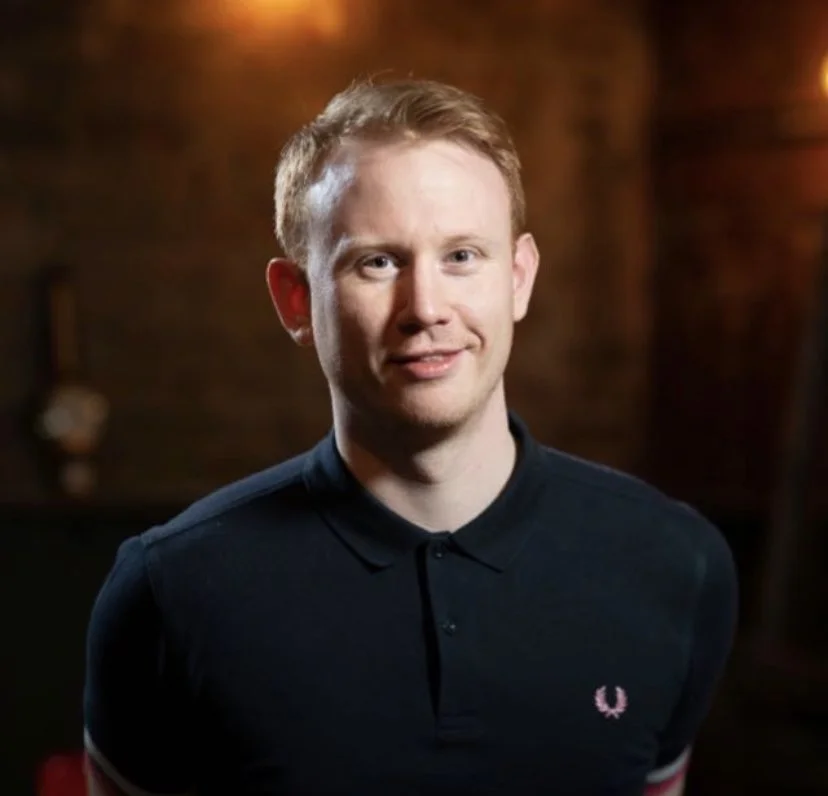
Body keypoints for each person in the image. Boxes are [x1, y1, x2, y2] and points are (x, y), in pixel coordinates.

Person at [83, 77, 738, 796]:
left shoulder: (676, 564)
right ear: (295, 300)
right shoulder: (170, 592)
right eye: (378, 262)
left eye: (462, 256)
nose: (425, 308)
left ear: (518, 278)